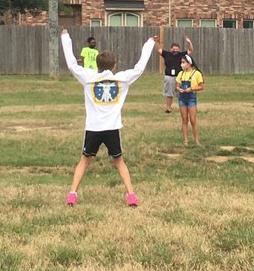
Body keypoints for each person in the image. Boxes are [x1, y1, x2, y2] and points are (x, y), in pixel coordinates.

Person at [60, 27, 157, 207]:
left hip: (93, 128)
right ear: (114, 65)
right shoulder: (122, 79)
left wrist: (65, 38)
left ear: (97, 65)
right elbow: (139, 68)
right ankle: (131, 195)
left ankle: (72, 194)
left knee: (84, 160)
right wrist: (150, 43)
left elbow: (72, 65)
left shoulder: (88, 78)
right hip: (112, 129)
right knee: (119, 161)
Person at [158, 34, 193, 113]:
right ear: (171, 49)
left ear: (179, 49)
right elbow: (159, 50)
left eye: (177, 49)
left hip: (180, 77)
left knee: (183, 92)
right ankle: (168, 108)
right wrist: (157, 42)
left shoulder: (182, 55)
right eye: (174, 49)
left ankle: (184, 108)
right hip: (169, 77)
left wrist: (189, 42)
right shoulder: (167, 54)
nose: (175, 51)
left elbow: (190, 50)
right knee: (169, 94)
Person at [176, 53, 204, 145]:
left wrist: (191, 88)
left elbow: (201, 86)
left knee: (193, 120)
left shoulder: (197, 74)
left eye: (183, 62)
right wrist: (179, 89)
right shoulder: (181, 74)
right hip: (182, 98)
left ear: (189, 63)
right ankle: (186, 141)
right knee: (184, 120)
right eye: (181, 62)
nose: (182, 64)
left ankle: (196, 140)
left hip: (191, 98)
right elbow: (177, 85)